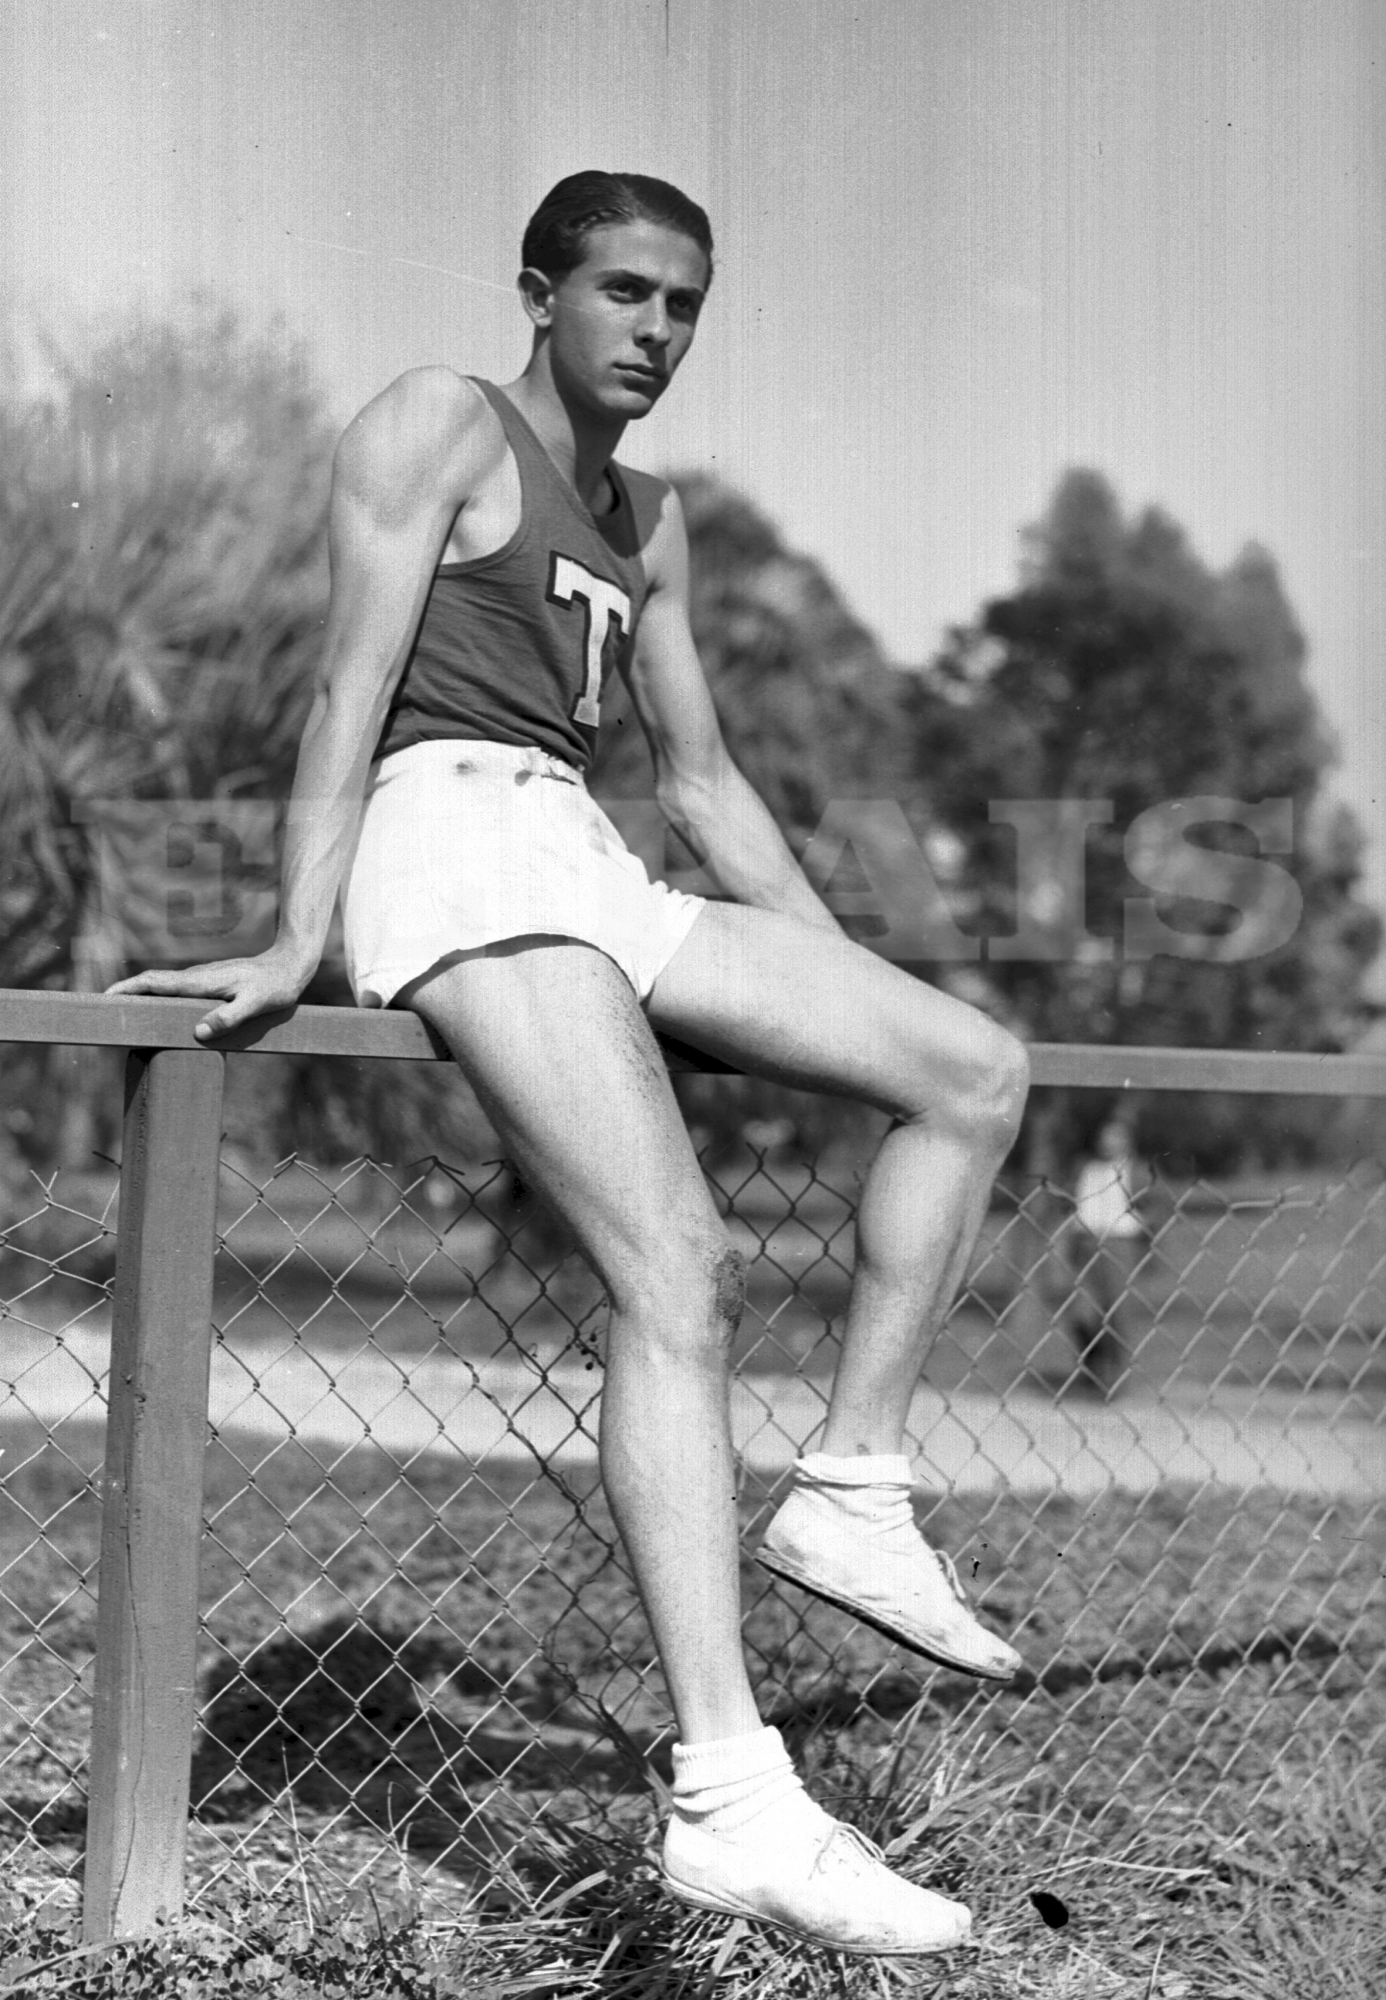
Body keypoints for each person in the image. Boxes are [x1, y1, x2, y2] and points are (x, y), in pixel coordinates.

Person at [110, 171, 1029, 1957]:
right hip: (448, 841)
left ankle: (851, 1486)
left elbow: (698, 789)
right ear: (540, 292)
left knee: (968, 1067)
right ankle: (731, 1795)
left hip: (589, 867)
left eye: (686, 304)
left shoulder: (651, 518)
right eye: (623, 294)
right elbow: (342, 686)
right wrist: (299, 930)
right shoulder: (440, 426)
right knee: (674, 1272)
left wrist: (831, 986)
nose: (657, 333)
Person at [1066, 1117, 1147, 1393]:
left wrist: (1140, 1224)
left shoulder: (1134, 1169)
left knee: (1116, 1312)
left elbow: (1158, 1204)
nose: (1110, 1142)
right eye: (1106, 1136)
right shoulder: (1086, 1168)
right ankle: (1092, 1369)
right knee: (1082, 1312)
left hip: (1118, 1243)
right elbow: (1074, 1204)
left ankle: (1117, 1377)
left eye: (1117, 1137)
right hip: (1087, 1242)